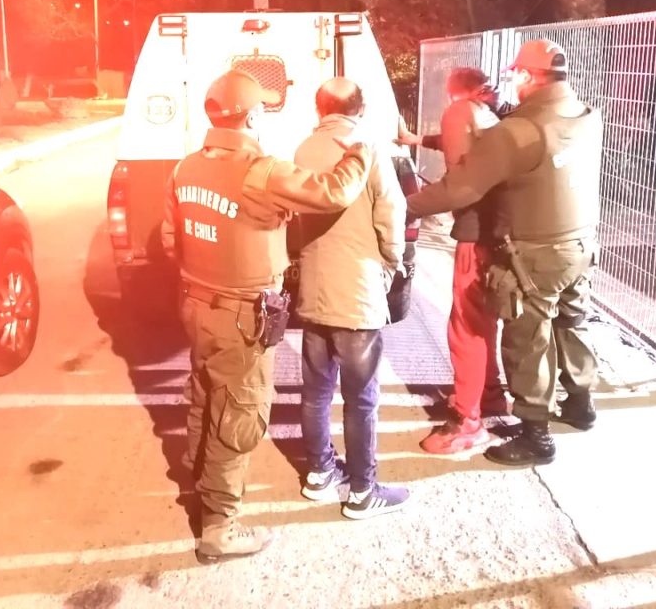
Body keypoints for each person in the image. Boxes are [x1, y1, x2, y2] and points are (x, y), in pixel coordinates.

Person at [161, 69, 374, 563]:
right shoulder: (261, 170)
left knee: (205, 397)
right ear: (254, 115)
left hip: (196, 305)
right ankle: (219, 527)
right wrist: (360, 151)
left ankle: (200, 482)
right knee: (238, 413)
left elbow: (171, 240)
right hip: (240, 315)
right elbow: (333, 192)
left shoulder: (184, 168)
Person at [406, 39, 603, 466]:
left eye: (515, 73)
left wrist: (400, 206)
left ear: (529, 76)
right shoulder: (586, 115)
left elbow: (459, 188)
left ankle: (536, 437)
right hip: (581, 244)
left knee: (528, 339)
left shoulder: (519, 131)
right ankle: (580, 404)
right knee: (571, 321)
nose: (510, 81)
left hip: (535, 252)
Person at [292, 77, 410, 519]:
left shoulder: (304, 149)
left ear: (318, 108)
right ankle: (363, 491)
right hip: (357, 289)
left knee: (315, 391)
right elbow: (391, 210)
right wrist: (392, 261)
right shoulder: (367, 146)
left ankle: (319, 471)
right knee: (360, 397)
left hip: (314, 285)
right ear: (360, 108)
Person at [398, 68, 509, 454]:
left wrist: (403, 207)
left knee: (465, 327)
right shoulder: (491, 115)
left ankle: (467, 420)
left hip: (475, 234)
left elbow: (460, 181)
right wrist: (416, 139)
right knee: (483, 322)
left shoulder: (460, 112)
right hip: (499, 232)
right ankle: (489, 394)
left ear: (453, 93)